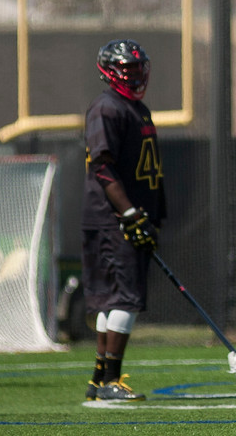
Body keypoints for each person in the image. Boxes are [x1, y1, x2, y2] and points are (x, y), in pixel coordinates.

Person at [81, 39, 165, 402]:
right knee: (124, 299)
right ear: (109, 70)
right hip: (113, 219)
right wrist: (129, 213)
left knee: (112, 299)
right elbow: (103, 165)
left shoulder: (136, 108)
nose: (133, 74)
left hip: (127, 216)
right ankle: (111, 381)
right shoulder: (107, 108)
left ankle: (100, 380)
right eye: (125, 68)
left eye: (136, 67)